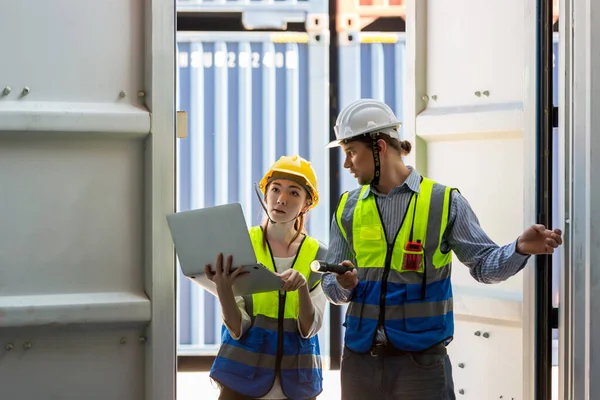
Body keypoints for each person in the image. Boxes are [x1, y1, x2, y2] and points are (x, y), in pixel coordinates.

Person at [321, 98, 564, 400]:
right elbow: (330, 285)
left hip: (421, 366)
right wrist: (342, 284)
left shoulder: (443, 203)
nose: (347, 164)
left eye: (351, 153)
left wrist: (519, 249)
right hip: (359, 363)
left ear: (379, 146)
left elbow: (484, 266)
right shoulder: (348, 207)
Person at [207, 155, 328, 400]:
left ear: (306, 204)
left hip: (297, 383)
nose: (281, 199)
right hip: (241, 381)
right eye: (275, 189)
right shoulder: (242, 245)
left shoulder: (319, 255)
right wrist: (223, 290)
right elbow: (236, 328)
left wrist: (302, 287)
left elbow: (309, 328)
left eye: (294, 193)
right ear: (265, 194)